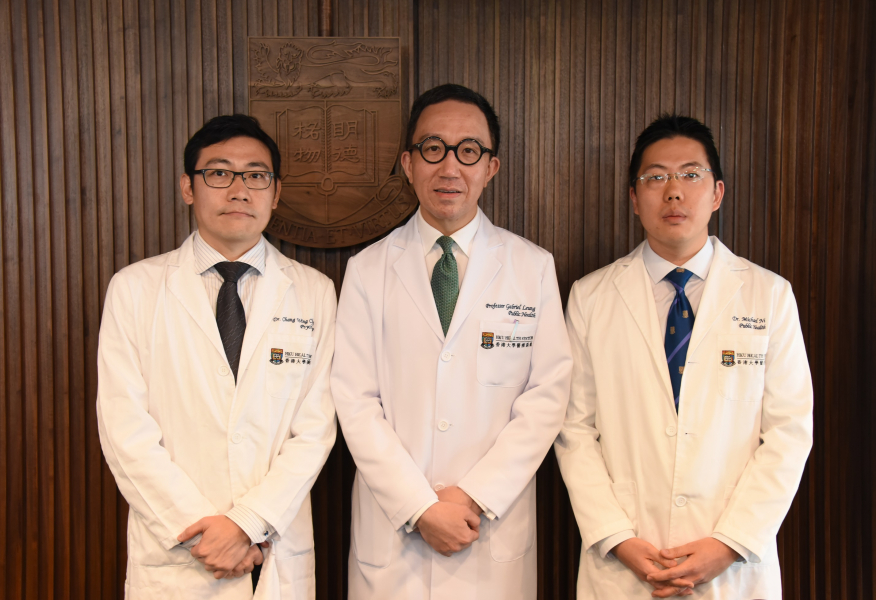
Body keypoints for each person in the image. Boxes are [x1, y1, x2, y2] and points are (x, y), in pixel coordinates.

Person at [331, 83, 572, 599]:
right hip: (395, 535)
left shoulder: (532, 268)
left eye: (469, 151)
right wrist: (418, 506)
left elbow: (547, 397)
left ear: (491, 167)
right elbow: (354, 401)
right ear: (408, 163)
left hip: (487, 527)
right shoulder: (367, 270)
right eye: (433, 148)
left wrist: (473, 496)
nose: (449, 167)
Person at [556, 114, 813, 598]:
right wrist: (617, 536)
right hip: (626, 561)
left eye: (691, 175)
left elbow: (789, 431)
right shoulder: (590, 297)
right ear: (634, 198)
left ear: (717, 193)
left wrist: (730, 542)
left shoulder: (769, 295)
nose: (673, 192)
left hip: (732, 567)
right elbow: (574, 429)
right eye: (655, 178)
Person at [96, 114, 337, 599]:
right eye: (220, 173)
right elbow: (125, 431)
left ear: (275, 191)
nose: (239, 190)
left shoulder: (314, 291)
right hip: (180, 552)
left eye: (256, 175)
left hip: (271, 549)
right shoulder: (135, 289)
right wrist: (205, 534)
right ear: (189, 187)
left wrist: (247, 522)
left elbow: (316, 429)